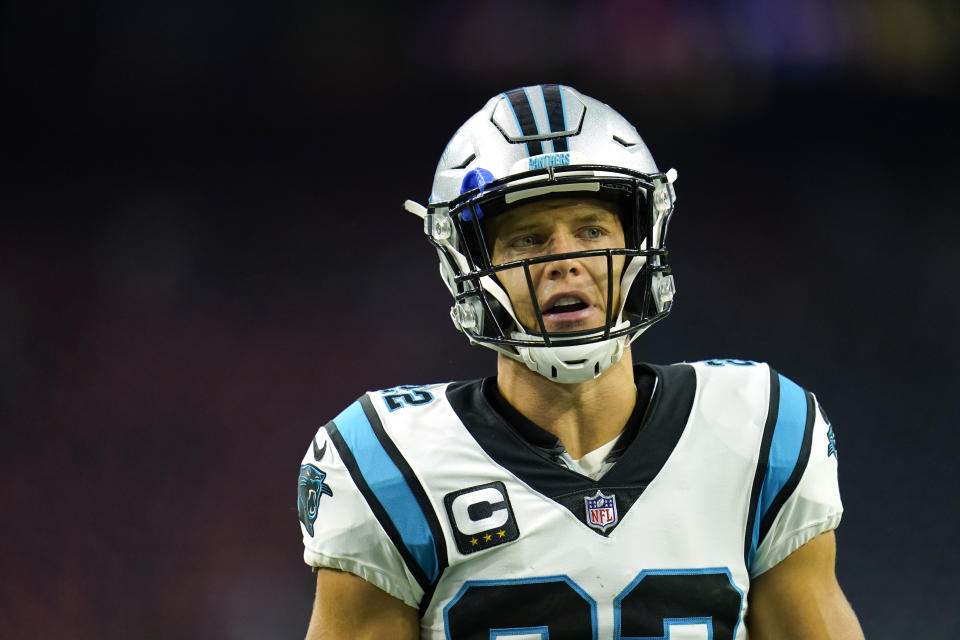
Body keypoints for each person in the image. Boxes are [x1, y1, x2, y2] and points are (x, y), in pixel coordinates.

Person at [297, 84, 864, 639]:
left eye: (592, 231)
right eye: (527, 240)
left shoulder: (760, 427)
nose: (566, 260)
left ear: (643, 240)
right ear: (466, 264)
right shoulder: (390, 461)